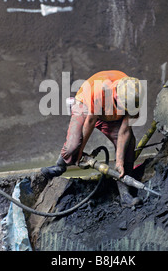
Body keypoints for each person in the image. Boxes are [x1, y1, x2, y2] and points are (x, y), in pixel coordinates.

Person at [41, 70, 143, 207]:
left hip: (110, 114)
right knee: (73, 144)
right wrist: (79, 152)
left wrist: (119, 161)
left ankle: (125, 195)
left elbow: (124, 131)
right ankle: (60, 166)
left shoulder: (134, 99)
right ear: (116, 94)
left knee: (128, 146)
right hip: (86, 104)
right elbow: (90, 122)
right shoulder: (101, 91)